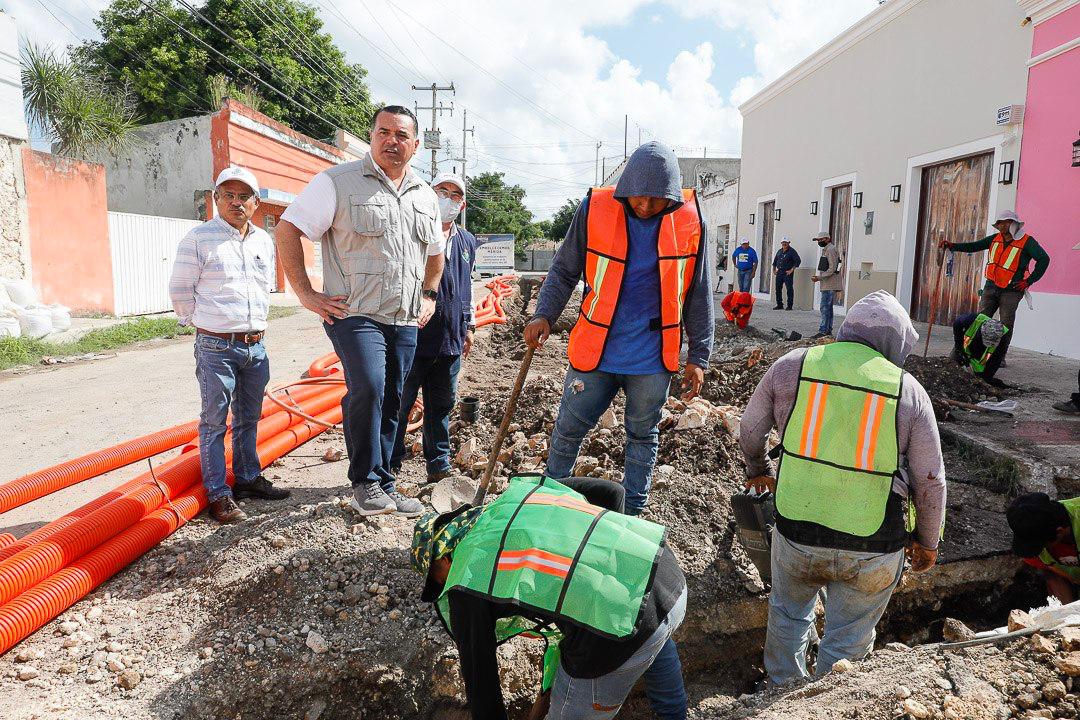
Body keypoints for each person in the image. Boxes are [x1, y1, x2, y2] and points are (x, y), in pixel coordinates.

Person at [740, 290, 946, 685]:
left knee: (788, 615)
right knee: (846, 642)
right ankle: (827, 702)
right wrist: (927, 540)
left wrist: (759, 467)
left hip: (796, 530)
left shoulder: (792, 365)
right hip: (872, 546)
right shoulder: (908, 390)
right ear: (896, 342)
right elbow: (930, 481)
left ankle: (781, 695)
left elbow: (749, 431)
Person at [523, 141, 714, 516]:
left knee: (643, 436)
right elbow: (564, 269)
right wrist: (543, 313)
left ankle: (632, 516)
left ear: (672, 197)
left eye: (656, 200)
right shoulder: (595, 208)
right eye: (638, 198)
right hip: (596, 351)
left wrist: (699, 355)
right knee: (567, 431)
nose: (644, 206)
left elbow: (697, 290)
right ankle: (549, 505)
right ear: (625, 189)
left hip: (653, 357)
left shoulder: (691, 219)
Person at [275, 105, 444, 518]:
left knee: (394, 397)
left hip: (404, 317)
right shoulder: (337, 182)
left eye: (402, 135)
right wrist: (307, 294)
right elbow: (287, 229)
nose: (392, 140)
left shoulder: (424, 195)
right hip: (354, 313)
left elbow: (436, 255)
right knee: (368, 386)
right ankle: (365, 482)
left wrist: (430, 295)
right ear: (371, 136)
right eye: (383, 132)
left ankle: (385, 480)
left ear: (416, 145)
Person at [411, 475, 689, 720]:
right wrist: (604, 563)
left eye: (435, 577)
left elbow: (481, 683)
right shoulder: (522, 496)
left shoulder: (466, 579)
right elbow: (612, 491)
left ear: (445, 557)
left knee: (630, 632)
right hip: (664, 574)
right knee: (649, 631)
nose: (442, 586)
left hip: (617, 632)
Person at [169, 166, 290, 524]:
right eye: (229, 195)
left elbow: (265, 284)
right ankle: (219, 495)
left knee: (250, 417)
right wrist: (205, 325)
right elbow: (180, 290)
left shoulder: (263, 241)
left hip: (256, 346)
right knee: (213, 422)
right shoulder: (198, 238)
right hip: (217, 347)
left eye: (244, 196)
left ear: (256, 202)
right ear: (217, 199)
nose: (237, 202)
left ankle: (248, 478)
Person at [391, 173, 478, 482]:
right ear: (429, 193)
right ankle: (390, 464)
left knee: (441, 406)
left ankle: (438, 464)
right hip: (413, 338)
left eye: (456, 196)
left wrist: (468, 327)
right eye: (443, 191)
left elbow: (466, 288)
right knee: (399, 405)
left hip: (451, 341)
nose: (449, 199)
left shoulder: (467, 241)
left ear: (462, 204)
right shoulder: (412, 232)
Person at [940, 210, 1050, 369]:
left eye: (1007, 222)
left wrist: (1028, 281)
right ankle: (963, 352)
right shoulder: (994, 239)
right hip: (991, 287)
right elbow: (974, 246)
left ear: (1015, 224)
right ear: (997, 225)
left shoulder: (1027, 241)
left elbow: (1044, 259)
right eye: (1001, 222)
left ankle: (999, 357)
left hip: (1012, 290)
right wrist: (953, 246)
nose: (1004, 225)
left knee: (1005, 325)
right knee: (979, 320)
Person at [1007, 492, 1080, 603]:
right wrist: (1067, 615)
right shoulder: (1032, 538)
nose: (1039, 553)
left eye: (1042, 546)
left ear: (1059, 533)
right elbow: (1052, 575)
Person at [951, 312, 1010, 386]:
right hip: (964, 347)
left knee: (983, 377)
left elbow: (996, 360)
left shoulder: (1003, 337)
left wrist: (986, 377)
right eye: (988, 341)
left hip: (980, 359)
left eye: (992, 343)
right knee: (951, 367)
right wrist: (958, 346)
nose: (990, 345)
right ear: (982, 332)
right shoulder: (971, 319)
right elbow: (957, 323)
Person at [810, 231, 842, 337]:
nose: (819, 242)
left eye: (821, 239)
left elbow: (832, 268)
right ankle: (827, 330)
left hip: (830, 284)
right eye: (818, 240)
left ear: (828, 239)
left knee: (824, 307)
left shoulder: (831, 250)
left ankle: (823, 330)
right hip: (827, 283)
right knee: (828, 308)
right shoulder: (827, 249)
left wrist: (819, 278)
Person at [771, 237, 801, 310]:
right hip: (779, 273)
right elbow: (775, 262)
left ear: (789, 243)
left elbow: (798, 261)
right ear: (781, 243)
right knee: (778, 289)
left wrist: (791, 270)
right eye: (783, 242)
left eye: (786, 242)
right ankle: (779, 304)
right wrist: (774, 270)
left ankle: (789, 306)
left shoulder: (792, 251)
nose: (784, 244)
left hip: (787, 273)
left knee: (789, 289)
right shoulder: (779, 251)